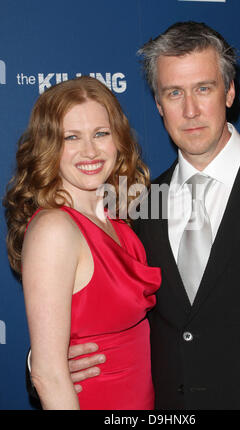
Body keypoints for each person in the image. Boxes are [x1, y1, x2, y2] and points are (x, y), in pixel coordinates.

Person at [66, 22, 240, 410]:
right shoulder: (135, 206)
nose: (190, 110)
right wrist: (49, 363)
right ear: (158, 104)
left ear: (230, 91)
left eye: (203, 89)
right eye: (174, 93)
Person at [4, 76, 161, 409]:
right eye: (71, 137)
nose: (89, 151)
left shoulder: (119, 218)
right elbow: (48, 375)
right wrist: (42, 365)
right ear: (49, 146)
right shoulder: (55, 230)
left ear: (118, 139)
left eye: (100, 134)